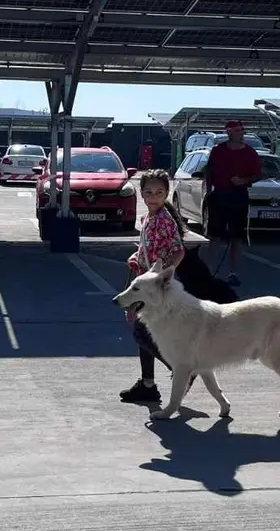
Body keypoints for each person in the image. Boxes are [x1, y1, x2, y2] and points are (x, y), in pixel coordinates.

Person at [119, 169, 189, 404]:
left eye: (159, 192)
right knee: (145, 331)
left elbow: (179, 250)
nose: (153, 197)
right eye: (148, 192)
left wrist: (162, 276)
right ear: (142, 193)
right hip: (145, 284)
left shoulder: (164, 221)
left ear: (167, 193)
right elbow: (149, 249)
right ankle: (148, 383)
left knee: (142, 332)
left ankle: (180, 369)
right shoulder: (149, 218)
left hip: (155, 291)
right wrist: (136, 258)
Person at [204, 120, 262, 287]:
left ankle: (233, 272)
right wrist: (208, 191)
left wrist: (243, 180)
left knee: (236, 237)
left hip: (238, 196)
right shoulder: (218, 151)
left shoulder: (250, 153)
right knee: (214, 236)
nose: (240, 133)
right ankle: (209, 272)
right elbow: (209, 171)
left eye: (242, 130)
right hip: (219, 196)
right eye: (237, 130)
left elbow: (258, 175)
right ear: (229, 132)